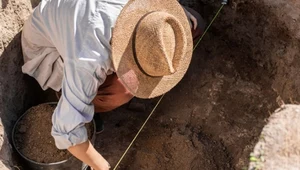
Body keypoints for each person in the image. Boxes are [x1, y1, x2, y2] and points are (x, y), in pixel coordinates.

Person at [21, 0, 205, 169]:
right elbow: (65, 130)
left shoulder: (146, 12)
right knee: (124, 89)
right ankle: (70, 96)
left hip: (74, 23)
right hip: (48, 50)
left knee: (194, 23)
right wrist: (100, 165)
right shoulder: (88, 59)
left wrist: (178, 16)